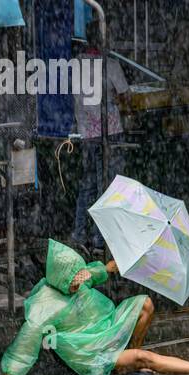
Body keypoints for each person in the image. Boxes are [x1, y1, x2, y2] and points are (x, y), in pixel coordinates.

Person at [0, 239, 189, 375]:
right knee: (142, 357)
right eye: (74, 282)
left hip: (107, 326)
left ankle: (129, 366)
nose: (79, 284)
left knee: (145, 302)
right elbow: (26, 340)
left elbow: (105, 268)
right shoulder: (44, 305)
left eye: (80, 278)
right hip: (90, 351)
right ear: (60, 279)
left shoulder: (78, 277)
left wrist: (135, 257)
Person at [70, 32, 130, 252]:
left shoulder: (74, 66)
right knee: (108, 187)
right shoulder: (111, 65)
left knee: (87, 185)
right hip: (110, 132)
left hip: (86, 133)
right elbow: (125, 96)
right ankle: (99, 240)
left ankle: (79, 234)